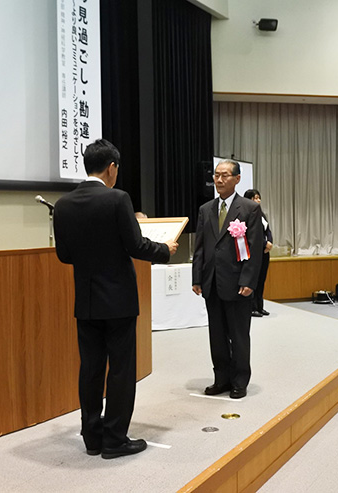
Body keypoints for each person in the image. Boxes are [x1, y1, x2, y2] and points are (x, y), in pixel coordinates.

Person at [53, 139, 178, 459]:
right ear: (111, 168)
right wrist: (165, 251)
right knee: (121, 370)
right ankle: (115, 439)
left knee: (90, 368)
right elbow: (137, 245)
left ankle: (92, 437)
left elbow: (64, 255)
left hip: (87, 301)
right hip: (119, 300)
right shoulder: (117, 199)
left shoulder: (64, 204)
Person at [192, 159, 262, 399]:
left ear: (237, 179)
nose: (219, 180)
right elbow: (199, 247)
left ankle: (240, 380)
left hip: (237, 282)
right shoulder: (205, 209)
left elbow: (254, 249)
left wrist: (248, 281)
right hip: (212, 281)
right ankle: (221, 378)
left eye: (225, 175)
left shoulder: (249, 209)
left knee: (239, 334)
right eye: (216, 175)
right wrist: (197, 277)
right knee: (217, 335)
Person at [243, 189, 272, 317]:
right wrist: (264, 244)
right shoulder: (246, 215)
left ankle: (260, 306)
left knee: (261, 279)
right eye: (254, 198)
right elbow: (251, 235)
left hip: (265, 252)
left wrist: (270, 242)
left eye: (259, 198)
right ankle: (252, 307)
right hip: (254, 252)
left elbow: (267, 231)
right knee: (253, 280)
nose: (258, 200)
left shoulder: (262, 214)